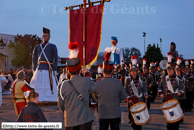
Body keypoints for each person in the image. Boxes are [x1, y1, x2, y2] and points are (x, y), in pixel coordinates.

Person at [58, 42, 96, 130]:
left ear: (68, 72)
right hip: (85, 120)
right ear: (80, 71)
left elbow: (61, 105)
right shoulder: (87, 80)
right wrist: (87, 74)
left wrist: (69, 112)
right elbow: (93, 90)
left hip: (70, 121)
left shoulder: (63, 84)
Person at [95, 47, 127, 130]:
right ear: (112, 71)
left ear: (103, 71)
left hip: (103, 114)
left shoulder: (97, 84)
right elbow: (124, 97)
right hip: (115, 114)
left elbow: (94, 97)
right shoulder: (118, 83)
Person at [30, 27, 58, 102]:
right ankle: (37, 98)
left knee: (48, 84)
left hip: (48, 68)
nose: (44, 37)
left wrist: (55, 69)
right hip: (39, 68)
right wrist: (34, 69)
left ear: (49, 37)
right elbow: (34, 58)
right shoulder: (37, 47)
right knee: (37, 84)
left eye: (46, 36)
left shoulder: (53, 46)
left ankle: (48, 99)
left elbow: (55, 58)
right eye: (43, 35)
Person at [158, 52, 184, 130]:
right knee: (169, 121)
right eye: (168, 69)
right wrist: (160, 93)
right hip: (166, 101)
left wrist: (180, 92)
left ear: (173, 69)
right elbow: (159, 88)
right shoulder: (164, 78)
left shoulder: (179, 78)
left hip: (175, 101)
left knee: (176, 121)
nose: (169, 71)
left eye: (170, 69)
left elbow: (182, 89)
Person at [125, 55, 148, 130]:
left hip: (139, 101)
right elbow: (125, 90)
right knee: (132, 120)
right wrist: (128, 97)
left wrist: (145, 94)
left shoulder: (142, 79)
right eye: (132, 71)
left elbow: (144, 89)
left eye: (135, 71)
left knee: (139, 120)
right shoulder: (128, 80)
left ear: (137, 72)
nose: (133, 72)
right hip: (131, 102)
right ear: (130, 72)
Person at [175, 57, 186, 124]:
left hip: (182, 95)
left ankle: (181, 119)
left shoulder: (183, 77)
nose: (177, 72)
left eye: (178, 71)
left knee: (181, 108)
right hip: (176, 95)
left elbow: (184, 85)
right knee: (176, 108)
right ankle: (177, 119)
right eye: (176, 71)